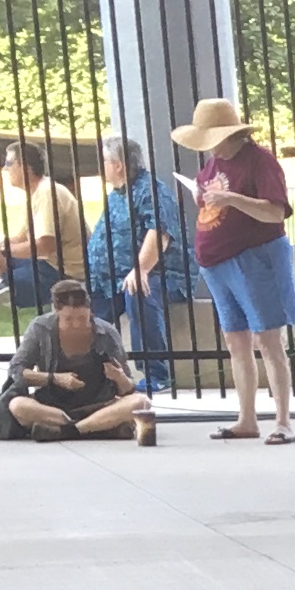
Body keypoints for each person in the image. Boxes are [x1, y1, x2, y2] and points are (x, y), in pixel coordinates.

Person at [175, 96, 295, 446]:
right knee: (236, 340)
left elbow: (275, 212)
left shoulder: (259, 162)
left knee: (268, 339)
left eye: (212, 141)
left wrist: (232, 200)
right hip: (218, 262)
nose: (209, 150)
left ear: (230, 135)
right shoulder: (214, 165)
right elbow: (209, 197)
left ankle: (282, 420)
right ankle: (246, 418)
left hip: (255, 257)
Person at [0, 286, 152, 446]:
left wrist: (119, 377)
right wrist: (54, 378)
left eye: (82, 318)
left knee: (141, 402)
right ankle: (99, 428)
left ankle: (71, 430)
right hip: (53, 406)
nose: (76, 325)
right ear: (56, 312)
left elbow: (128, 389)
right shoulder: (41, 328)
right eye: (69, 319)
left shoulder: (105, 332)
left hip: (98, 404)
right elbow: (17, 371)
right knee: (18, 406)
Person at [0, 140, 83, 385]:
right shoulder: (36, 192)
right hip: (45, 265)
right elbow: (21, 239)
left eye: (9, 163)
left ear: (25, 167)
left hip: (60, 272)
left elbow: (45, 245)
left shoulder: (46, 194)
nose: (5, 169)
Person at [86, 134, 188, 397]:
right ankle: (100, 372)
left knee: (139, 292)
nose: (101, 166)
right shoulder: (117, 194)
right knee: (90, 310)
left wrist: (141, 269)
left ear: (118, 164)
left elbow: (160, 233)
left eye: (105, 160)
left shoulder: (149, 190)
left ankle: (157, 374)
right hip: (113, 276)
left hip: (161, 272)